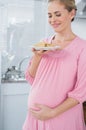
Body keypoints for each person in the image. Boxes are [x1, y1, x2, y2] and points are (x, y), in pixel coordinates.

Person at [22, 0, 86, 130]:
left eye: (57, 14)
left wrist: (52, 112)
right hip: (35, 118)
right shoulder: (44, 43)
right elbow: (32, 78)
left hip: (63, 117)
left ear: (71, 13)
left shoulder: (82, 47)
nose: (53, 20)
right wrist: (37, 56)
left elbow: (82, 91)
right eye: (50, 15)